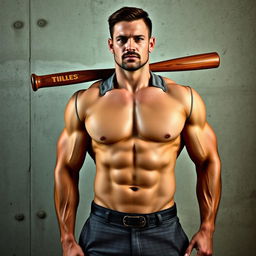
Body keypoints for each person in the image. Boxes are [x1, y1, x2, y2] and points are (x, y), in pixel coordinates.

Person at [54, 6, 221, 256]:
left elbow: (208, 162)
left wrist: (207, 228)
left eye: (138, 39)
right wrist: (66, 238)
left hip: (162, 229)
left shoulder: (182, 99)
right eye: (122, 39)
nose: (130, 45)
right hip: (103, 230)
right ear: (111, 45)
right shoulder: (85, 102)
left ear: (150, 43)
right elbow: (66, 169)